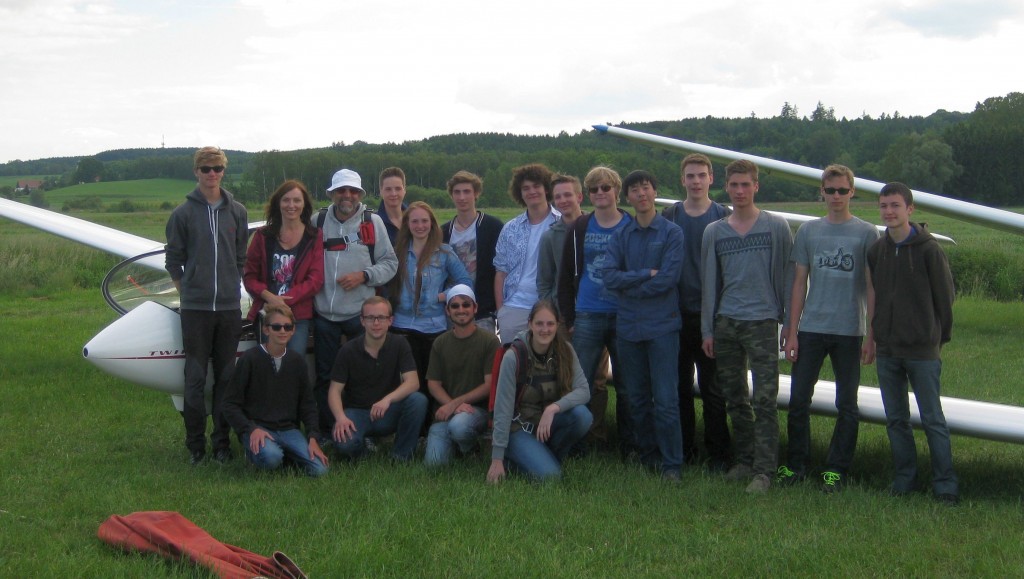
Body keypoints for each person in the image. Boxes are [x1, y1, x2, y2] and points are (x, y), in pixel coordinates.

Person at [778, 164, 879, 492]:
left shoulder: (867, 233)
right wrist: (792, 330)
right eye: (830, 190)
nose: (836, 196)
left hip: (849, 330)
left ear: (852, 192)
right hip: (812, 328)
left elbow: (872, 286)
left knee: (847, 405)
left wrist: (872, 334)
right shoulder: (809, 231)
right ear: (821, 192)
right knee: (798, 400)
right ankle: (796, 465)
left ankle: (836, 469)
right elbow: (799, 283)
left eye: (842, 190)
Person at [701, 159, 793, 493]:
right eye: (734, 185)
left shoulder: (776, 227)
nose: (740, 191)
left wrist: (789, 325)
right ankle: (744, 460)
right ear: (726, 187)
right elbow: (709, 282)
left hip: (763, 321)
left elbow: (788, 277)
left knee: (765, 400)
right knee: (734, 397)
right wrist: (708, 329)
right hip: (727, 322)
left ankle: (765, 470)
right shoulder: (715, 232)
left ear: (756, 186)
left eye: (745, 185)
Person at [867, 182, 959, 505]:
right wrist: (875, 335)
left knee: (932, 419)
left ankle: (945, 483)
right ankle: (905, 479)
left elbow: (945, 298)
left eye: (895, 205)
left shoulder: (929, 250)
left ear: (909, 209)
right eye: (883, 206)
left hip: (922, 350)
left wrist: (937, 337)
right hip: (888, 350)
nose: (889, 212)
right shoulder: (876, 250)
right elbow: (875, 297)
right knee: (896, 419)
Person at [164, 146, 248, 465]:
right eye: (206, 169)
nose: (212, 174)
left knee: (227, 376)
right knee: (196, 377)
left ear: (224, 171)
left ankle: (222, 444)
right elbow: (174, 260)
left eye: (217, 168)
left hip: (228, 308)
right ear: (196, 172)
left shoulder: (237, 211)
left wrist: (232, 284)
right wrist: (188, 290)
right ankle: (195, 446)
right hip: (196, 310)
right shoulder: (182, 214)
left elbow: (240, 255)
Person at [599, 170, 685, 481]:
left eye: (645, 188)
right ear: (628, 197)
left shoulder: (672, 233)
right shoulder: (621, 235)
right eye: (634, 190)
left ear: (654, 192)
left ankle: (672, 464)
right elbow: (609, 277)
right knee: (635, 398)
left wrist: (629, 286)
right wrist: (644, 275)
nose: (641, 194)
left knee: (665, 400)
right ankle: (649, 458)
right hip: (629, 328)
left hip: (662, 327)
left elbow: (668, 279)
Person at [557, 166, 634, 457]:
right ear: (588, 195)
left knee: (628, 385)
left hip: (624, 315)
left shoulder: (631, 225)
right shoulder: (580, 226)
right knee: (582, 384)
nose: (600, 193)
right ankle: (580, 444)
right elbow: (565, 275)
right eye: (594, 189)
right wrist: (570, 318)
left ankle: (629, 445)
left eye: (606, 187)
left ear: (617, 191)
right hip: (587, 313)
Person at [314, 169, 398, 433]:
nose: (347, 195)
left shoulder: (373, 221)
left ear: (360, 194)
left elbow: (390, 263)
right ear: (332, 193)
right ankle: (328, 431)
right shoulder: (317, 220)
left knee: (362, 376)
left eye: (352, 191)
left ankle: (364, 430)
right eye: (341, 190)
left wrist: (364, 276)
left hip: (360, 316)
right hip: (324, 314)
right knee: (326, 376)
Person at [663, 153, 733, 470]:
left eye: (701, 175)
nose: (696, 181)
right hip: (676, 317)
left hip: (712, 317)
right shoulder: (670, 216)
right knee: (680, 389)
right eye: (690, 176)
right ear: (682, 180)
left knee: (714, 391)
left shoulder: (724, 216)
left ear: (711, 179)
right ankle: (684, 451)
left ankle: (719, 455)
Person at [487, 300, 593, 482]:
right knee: (551, 478)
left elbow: (584, 391)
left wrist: (553, 409)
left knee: (582, 416)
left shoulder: (565, 350)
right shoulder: (514, 356)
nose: (545, 329)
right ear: (530, 324)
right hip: (519, 428)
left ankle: (543, 457)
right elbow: (503, 409)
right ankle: (512, 460)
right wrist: (496, 458)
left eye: (550, 324)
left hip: (546, 424)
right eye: (539, 323)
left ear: (557, 325)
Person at [222, 306, 329, 477]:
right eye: (276, 327)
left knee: (320, 470)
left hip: (289, 430)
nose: (282, 331)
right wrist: (250, 428)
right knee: (272, 458)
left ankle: (287, 456)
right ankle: (256, 454)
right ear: (266, 330)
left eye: (287, 327)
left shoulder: (297, 362)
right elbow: (229, 404)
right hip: (258, 429)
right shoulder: (249, 359)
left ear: (293, 330)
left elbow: (308, 405)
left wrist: (313, 438)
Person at [327, 296, 428, 462]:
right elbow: (334, 391)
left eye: (381, 317)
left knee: (418, 400)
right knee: (345, 445)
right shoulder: (348, 350)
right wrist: (340, 418)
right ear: (362, 321)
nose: (376, 323)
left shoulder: (399, 344)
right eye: (370, 318)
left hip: (388, 411)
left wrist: (387, 400)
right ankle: (364, 452)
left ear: (390, 321)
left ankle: (401, 456)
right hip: (357, 412)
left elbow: (413, 382)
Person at [387, 201, 473, 392]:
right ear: (407, 224)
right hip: (401, 325)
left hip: (433, 327)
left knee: (431, 382)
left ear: (432, 223)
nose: (420, 226)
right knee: (405, 384)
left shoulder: (444, 252)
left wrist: (441, 296)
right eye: (415, 221)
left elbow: (465, 283)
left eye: (424, 221)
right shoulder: (397, 252)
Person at [243, 180, 324, 353]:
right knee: (268, 364)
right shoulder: (262, 236)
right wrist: (269, 297)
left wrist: (283, 300)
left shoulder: (314, 236)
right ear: (278, 203)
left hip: (298, 316)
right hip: (267, 313)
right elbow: (249, 276)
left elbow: (315, 280)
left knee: (295, 361)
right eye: (286, 200)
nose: (291, 205)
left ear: (304, 204)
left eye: (297, 200)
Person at [424, 284, 500, 467]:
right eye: (455, 306)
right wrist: (452, 406)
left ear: (475, 308)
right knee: (434, 465)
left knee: (459, 426)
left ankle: (470, 448)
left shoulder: (490, 341)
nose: (461, 310)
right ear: (447, 311)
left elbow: (489, 385)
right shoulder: (440, 342)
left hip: (477, 412)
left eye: (466, 305)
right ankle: (462, 446)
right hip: (447, 412)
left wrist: (454, 404)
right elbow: (433, 384)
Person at [493, 163, 561, 343]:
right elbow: (501, 272)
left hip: (551, 306)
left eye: (536, 186)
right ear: (520, 193)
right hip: (514, 307)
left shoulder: (562, 223)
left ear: (546, 189)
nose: (532, 191)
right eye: (526, 188)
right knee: (514, 358)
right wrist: (501, 311)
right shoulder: (510, 228)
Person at [441, 170, 504, 334]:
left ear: (476, 194)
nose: (462, 197)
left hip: (483, 311)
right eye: (457, 192)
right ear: (452, 195)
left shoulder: (493, 227)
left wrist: (499, 308)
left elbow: (502, 270)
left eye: (467, 191)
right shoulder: (443, 232)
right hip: (451, 310)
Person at [537, 173, 583, 301]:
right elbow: (544, 282)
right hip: (561, 307)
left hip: (593, 306)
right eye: (558, 197)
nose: (563, 201)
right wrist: (550, 307)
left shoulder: (594, 228)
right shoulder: (549, 238)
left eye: (568, 195)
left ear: (579, 197)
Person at [377, 166, 408, 245]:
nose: (393, 194)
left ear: (404, 190)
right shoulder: (373, 222)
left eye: (398, 189)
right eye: (388, 189)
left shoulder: (415, 219)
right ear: (381, 191)